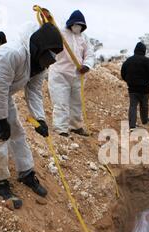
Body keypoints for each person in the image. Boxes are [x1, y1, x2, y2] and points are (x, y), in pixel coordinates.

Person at [0, 22, 64, 209]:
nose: (49, 60)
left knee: (17, 131)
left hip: (2, 92)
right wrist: (1, 120)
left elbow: (33, 92)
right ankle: (1, 182)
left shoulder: (40, 64)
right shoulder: (14, 53)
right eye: (48, 54)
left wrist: (40, 118)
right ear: (38, 47)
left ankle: (26, 173)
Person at [48, 10, 95, 138]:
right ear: (70, 24)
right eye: (76, 24)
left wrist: (87, 65)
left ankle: (75, 127)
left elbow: (89, 54)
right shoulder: (60, 33)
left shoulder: (84, 38)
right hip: (60, 73)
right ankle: (61, 129)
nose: (77, 27)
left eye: (80, 25)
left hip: (77, 75)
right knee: (61, 102)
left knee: (77, 103)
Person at [121, 42, 149, 131]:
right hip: (145, 88)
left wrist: (128, 81)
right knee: (144, 105)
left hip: (132, 88)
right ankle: (144, 121)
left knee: (133, 106)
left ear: (135, 50)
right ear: (144, 51)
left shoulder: (128, 61)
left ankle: (132, 126)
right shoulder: (148, 61)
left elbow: (123, 73)